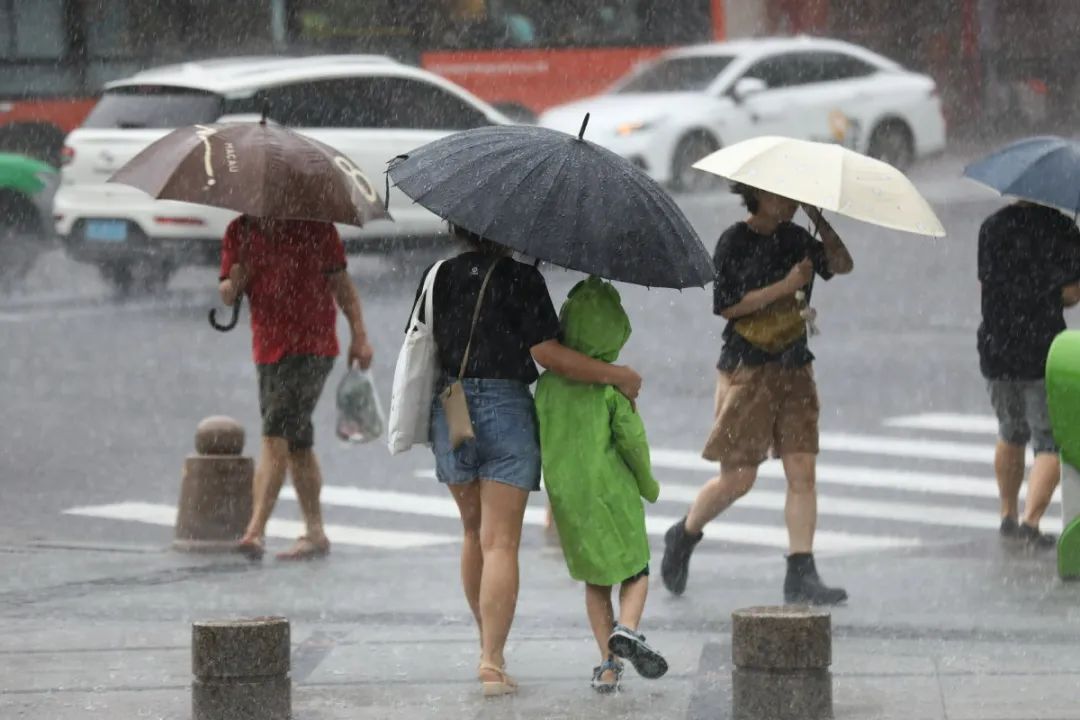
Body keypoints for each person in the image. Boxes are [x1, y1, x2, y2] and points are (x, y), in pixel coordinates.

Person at [410, 225, 642, 697]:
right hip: (505, 408)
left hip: (450, 407)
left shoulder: (436, 275)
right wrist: (616, 374)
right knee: (500, 543)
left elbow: (425, 343)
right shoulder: (521, 279)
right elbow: (547, 354)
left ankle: (485, 646)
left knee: (474, 534)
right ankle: (492, 662)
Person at [661, 184, 854, 605]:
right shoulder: (734, 241)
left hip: (795, 367)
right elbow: (727, 305)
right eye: (780, 195)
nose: (787, 203)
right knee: (739, 478)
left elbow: (841, 263)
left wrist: (817, 217)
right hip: (747, 369)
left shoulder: (797, 236)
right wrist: (787, 285)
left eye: (790, 196)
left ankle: (800, 571)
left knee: (802, 470)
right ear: (757, 196)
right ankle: (685, 533)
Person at [535, 276, 666, 693]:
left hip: (570, 497)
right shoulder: (610, 388)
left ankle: (608, 665)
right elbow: (633, 443)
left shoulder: (548, 387)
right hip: (613, 494)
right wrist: (648, 485)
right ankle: (627, 628)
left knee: (596, 580)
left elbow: (543, 437)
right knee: (637, 568)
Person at [219, 215, 373, 561]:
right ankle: (315, 532)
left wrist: (359, 335)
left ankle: (255, 531)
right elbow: (227, 294)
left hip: (312, 348)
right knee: (297, 441)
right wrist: (235, 281)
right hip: (268, 348)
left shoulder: (317, 228)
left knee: (275, 433)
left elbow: (342, 285)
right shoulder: (239, 231)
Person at [977, 200, 1080, 548]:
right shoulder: (1063, 230)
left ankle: (1007, 513)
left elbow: (988, 285)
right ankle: (1031, 522)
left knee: (1010, 432)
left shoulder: (991, 226)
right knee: (1048, 440)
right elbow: (1071, 295)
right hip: (1041, 349)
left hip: (997, 345)